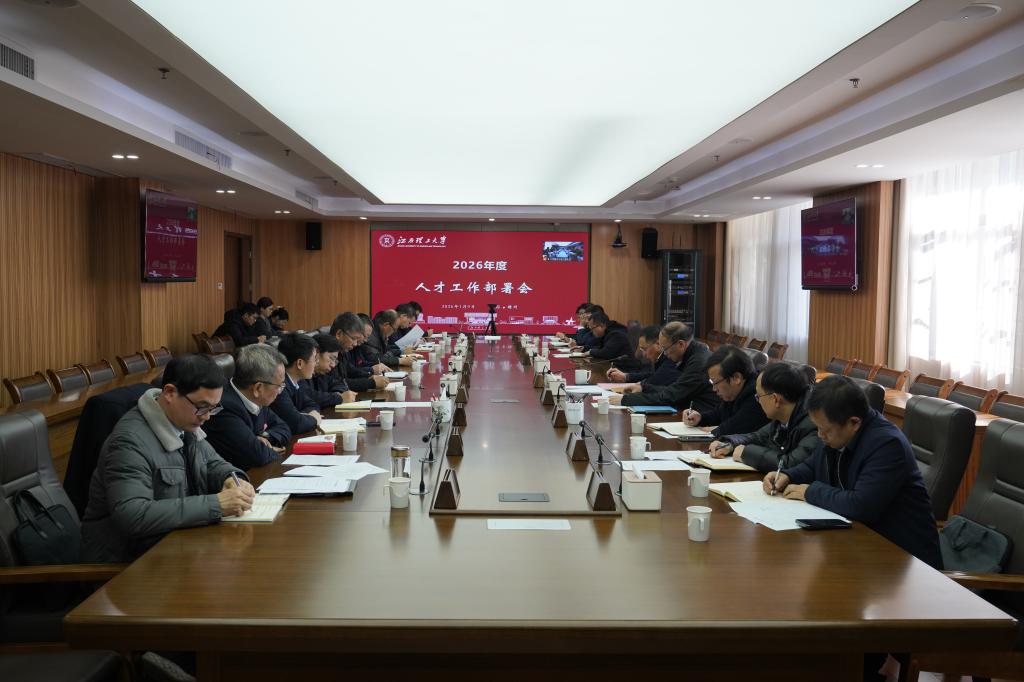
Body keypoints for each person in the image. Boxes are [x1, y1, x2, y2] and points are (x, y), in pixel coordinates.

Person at [82, 354, 254, 564]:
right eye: (202, 407)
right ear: (170, 393)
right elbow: (133, 515)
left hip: (174, 547)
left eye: (213, 408)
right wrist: (216, 504)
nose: (207, 416)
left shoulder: (184, 423)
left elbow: (212, 462)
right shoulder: (129, 442)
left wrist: (231, 478)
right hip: (129, 563)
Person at [764, 375, 943, 570]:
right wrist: (788, 475)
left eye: (825, 430)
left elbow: (861, 505)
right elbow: (814, 465)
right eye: (818, 429)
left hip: (903, 563)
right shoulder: (835, 432)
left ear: (854, 422)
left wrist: (810, 492)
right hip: (859, 545)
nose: (820, 435)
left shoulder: (887, 445)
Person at [707, 361, 818, 470]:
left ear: (775, 399)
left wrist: (746, 453)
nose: (758, 402)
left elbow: (790, 465)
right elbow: (757, 437)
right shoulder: (783, 416)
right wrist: (729, 444)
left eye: (758, 396)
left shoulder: (814, 423)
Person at [202, 345, 292, 471]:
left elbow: (284, 428)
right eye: (279, 386)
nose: (280, 391)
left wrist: (265, 438)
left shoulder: (257, 399)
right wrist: (263, 448)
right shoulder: (224, 408)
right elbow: (258, 456)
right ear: (258, 388)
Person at [611, 321, 718, 411]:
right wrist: (644, 387)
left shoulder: (698, 362)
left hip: (705, 419)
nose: (665, 354)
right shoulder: (691, 354)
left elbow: (672, 396)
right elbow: (673, 389)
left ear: (681, 344)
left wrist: (626, 400)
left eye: (665, 349)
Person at [683, 344, 770, 438]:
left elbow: (733, 428)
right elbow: (719, 414)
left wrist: (716, 430)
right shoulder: (735, 392)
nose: (714, 389)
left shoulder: (757, 396)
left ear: (736, 378)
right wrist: (700, 418)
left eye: (716, 382)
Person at [270, 332, 322, 434]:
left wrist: (302, 416)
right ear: (299, 363)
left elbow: (312, 404)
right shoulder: (279, 387)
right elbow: (296, 424)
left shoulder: (298, 381)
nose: (316, 364)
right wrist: (314, 419)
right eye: (314, 359)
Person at [331, 312, 389, 393]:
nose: (355, 344)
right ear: (339, 334)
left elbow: (351, 371)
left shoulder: (341, 351)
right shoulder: (327, 352)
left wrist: (369, 376)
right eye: (353, 338)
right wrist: (371, 383)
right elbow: (336, 383)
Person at [607, 325, 679, 387]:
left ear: (658, 344)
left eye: (645, 349)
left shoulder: (671, 358)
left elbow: (655, 380)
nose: (644, 354)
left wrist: (640, 385)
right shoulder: (660, 359)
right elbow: (653, 375)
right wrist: (626, 376)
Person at [307, 333, 358, 407]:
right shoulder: (302, 374)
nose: (333, 365)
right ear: (316, 353)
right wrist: (338, 398)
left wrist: (338, 393)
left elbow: (339, 383)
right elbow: (308, 396)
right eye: (331, 358)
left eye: (335, 360)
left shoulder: (322, 374)